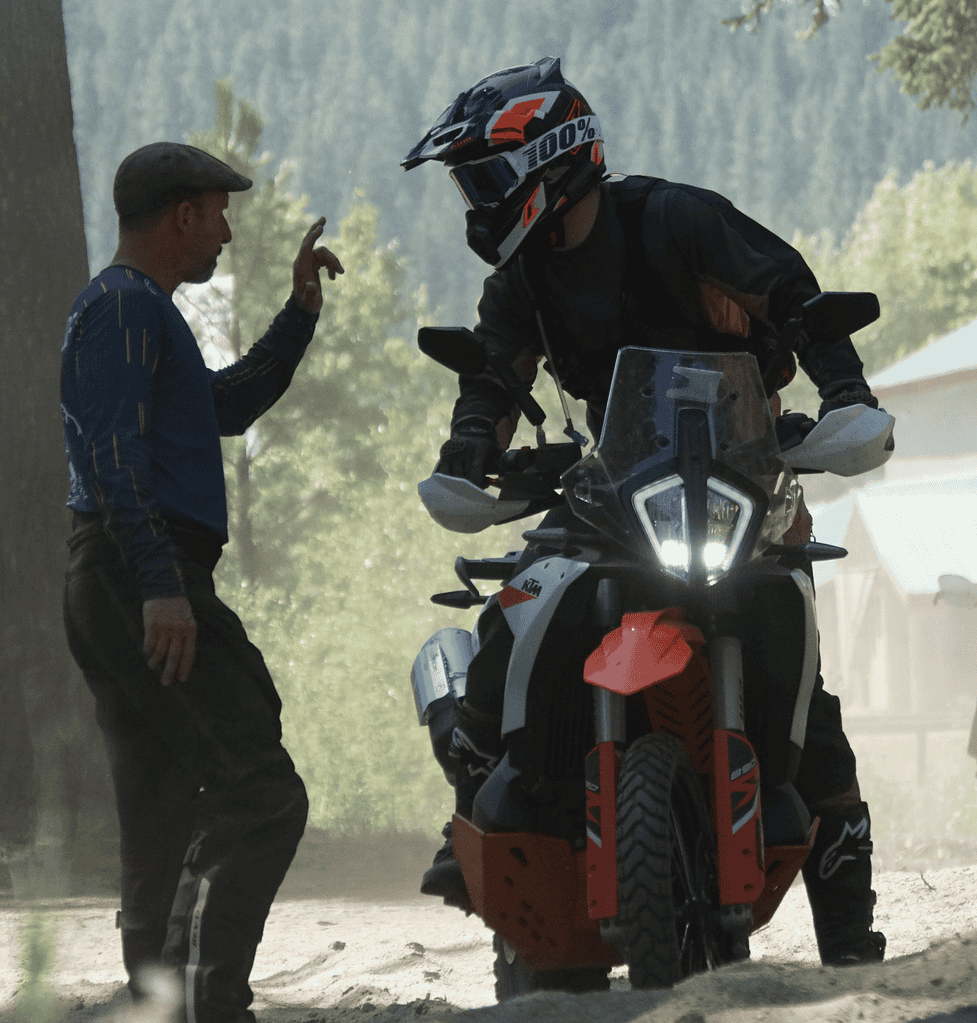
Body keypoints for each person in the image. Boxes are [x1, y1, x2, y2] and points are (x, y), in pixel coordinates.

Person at [402, 57, 886, 967]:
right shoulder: (521, 276)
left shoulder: (676, 220)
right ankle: (473, 799)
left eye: (487, 176)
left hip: (746, 480)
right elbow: (495, 377)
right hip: (614, 488)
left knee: (808, 707)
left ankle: (852, 947)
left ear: (548, 159)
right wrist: (469, 454)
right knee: (515, 617)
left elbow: (796, 297)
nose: (478, 200)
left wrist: (845, 394)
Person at [60, 141, 344, 1021]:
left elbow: (222, 406)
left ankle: (156, 1003)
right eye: (218, 213)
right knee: (260, 787)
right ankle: (207, 1003)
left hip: (122, 569)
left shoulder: (144, 311)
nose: (226, 231)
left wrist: (298, 312)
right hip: (134, 565)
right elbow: (112, 455)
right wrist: (160, 584)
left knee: (160, 803)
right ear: (182, 215)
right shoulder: (119, 307)